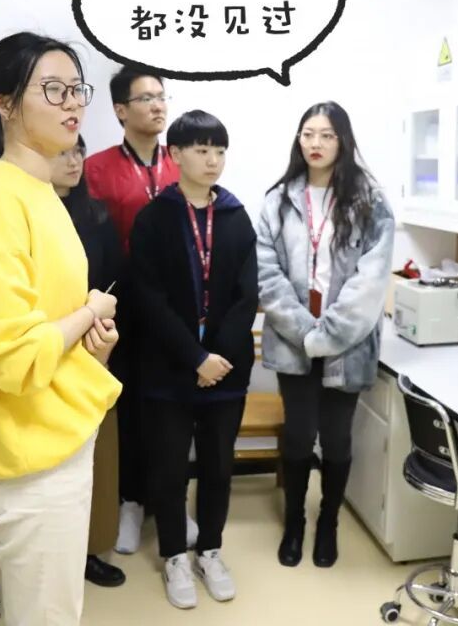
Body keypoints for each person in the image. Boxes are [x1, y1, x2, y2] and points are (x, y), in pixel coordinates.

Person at [0, 32, 122, 625]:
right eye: (52, 89)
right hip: (28, 457)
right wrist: (90, 313)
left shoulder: (41, 190)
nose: (72, 103)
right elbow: (14, 356)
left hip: (57, 434)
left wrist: (92, 343)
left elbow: (46, 321)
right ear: (4, 103)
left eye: (77, 89)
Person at [256, 101, 395, 569]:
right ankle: (294, 521)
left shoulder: (370, 201)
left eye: (327, 135)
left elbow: (371, 282)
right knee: (298, 438)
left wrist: (329, 334)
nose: (315, 143)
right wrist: (303, 331)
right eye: (308, 134)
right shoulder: (278, 200)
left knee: (337, 440)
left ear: (343, 141)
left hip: (347, 345)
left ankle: (328, 521)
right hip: (292, 341)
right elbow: (266, 273)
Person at [128, 110, 257, 609]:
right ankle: (174, 557)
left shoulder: (236, 217)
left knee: (219, 466)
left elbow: (247, 295)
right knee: (168, 470)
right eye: (202, 150)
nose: (213, 160)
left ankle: (211, 550)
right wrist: (194, 356)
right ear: (175, 154)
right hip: (168, 369)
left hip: (225, 371)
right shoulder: (154, 218)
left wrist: (216, 356)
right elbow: (148, 298)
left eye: (219, 150)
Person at [84, 66, 192, 556]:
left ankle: (173, 503)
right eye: (145, 98)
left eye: (162, 96)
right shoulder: (97, 169)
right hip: (122, 311)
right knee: (127, 409)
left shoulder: (183, 162)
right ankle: (129, 501)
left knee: (174, 411)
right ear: (120, 110)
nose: (158, 105)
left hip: (176, 311)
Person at [46, 135, 127, 588]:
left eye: (78, 151)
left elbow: (117, 281)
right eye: (62, 152)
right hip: (46, 350)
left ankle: (91, 550)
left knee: (97, 454)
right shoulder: (32, 213)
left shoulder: (95, 215)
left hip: (96, 348)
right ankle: (56, 554)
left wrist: (102, 329)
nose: (74, 161)